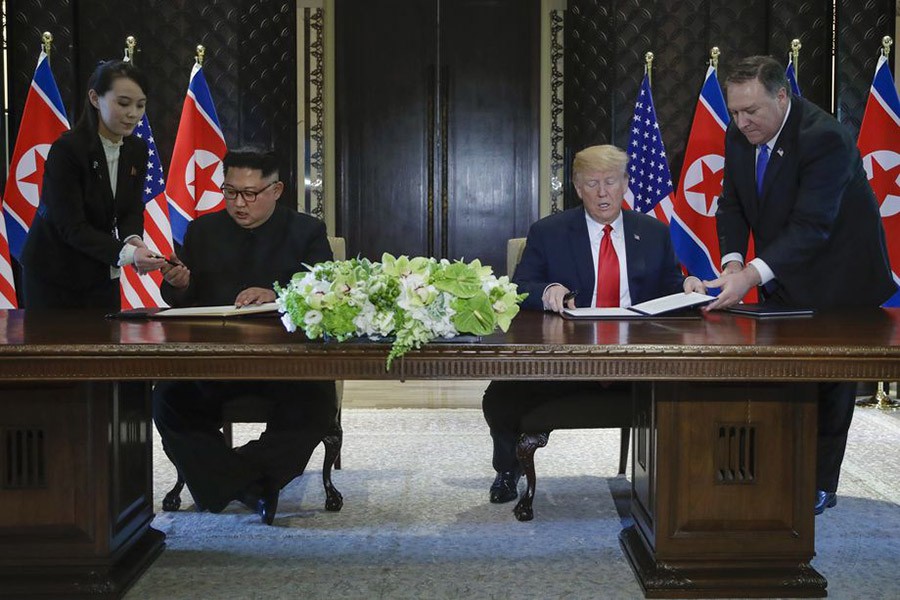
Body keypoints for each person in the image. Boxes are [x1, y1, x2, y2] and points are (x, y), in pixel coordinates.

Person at [703, 55, 897, 515]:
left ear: (782, 95)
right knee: (779, 373)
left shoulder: (824, 137)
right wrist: (733, 262)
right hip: (782, 268)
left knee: (828, 380)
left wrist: (753, 273)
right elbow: (730, 203)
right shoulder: (738, 133)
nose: (741, 122)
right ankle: (768, 469)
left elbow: (813, 227)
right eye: (734, 112)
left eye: (752, 111)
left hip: (841, 274)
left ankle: (818, 484)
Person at [482, 144, 703, 503]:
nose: (603, 193)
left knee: (701, 388)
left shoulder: (653, 232)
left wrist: (688, 286)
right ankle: (508, 469)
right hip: (570, 356)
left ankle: (686, 478)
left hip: (638, 357)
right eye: (592, 183)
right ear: (577, 187)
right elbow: (520, 287)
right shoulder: (549, 232)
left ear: (625, 184)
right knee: (500, 394)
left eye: (611, 182)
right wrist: (549, 289)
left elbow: (669, 286)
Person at [152, 147, 337, 525]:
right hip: (215, 361)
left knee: (316, 404)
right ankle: (252, 486)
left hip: (285, 365)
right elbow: (177, 297)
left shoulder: (306, 232)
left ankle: (228, 480)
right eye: (230, 191)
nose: (239, 203)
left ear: (277, 189)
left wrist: (280, 294)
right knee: (167, 400)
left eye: (250, 193)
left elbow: (328, 292)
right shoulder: (203, 230)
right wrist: (179, 284)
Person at [21, 59, 166, 310]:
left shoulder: (138, 149)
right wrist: (129, 255)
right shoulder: (67, 150)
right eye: (123, 103)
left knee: (104, 343)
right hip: (54, 272)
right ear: (95, 99)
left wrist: (134, 240)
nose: (133, 113)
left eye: (140, 105)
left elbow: (130, 208)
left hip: (101, 268)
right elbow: (71, 226)